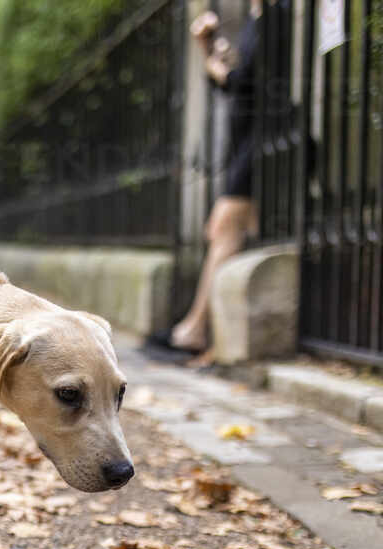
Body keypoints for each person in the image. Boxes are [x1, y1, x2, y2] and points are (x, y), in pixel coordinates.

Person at [157, 2, 263, 362]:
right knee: (225, 230)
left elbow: (243, 82)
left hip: (265, 140)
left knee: (223, 226)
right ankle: (202, 329)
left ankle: (196, 328)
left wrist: (214, 63)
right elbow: (242, 82)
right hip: (248, 139)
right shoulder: (256, 16)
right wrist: (215, 54)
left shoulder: (275, 12)